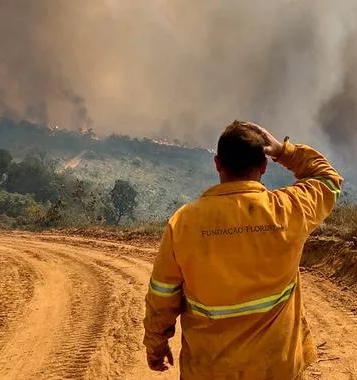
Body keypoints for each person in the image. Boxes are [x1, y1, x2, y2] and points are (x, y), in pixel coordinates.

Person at [143, 120, 343, 379]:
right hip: (276, 368)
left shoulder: (184, 222)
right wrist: (285, 152)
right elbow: (328, 180)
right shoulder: (287, 210)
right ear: (263, 166)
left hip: (209, 370)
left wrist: (156, 345)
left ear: (217, 164)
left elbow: (163, 295)